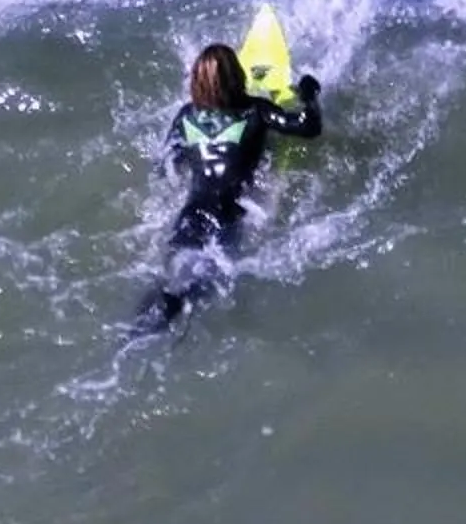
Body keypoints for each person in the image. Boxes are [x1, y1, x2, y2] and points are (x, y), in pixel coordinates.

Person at [130, 40, 323, 333]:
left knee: (173, 280)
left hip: (189, 215)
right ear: (237, 76)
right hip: (226, 216)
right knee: (199, 286)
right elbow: (308, 126)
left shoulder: (185, 116)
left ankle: (134, 333)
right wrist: (309, 93)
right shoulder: (255, 111)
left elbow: (165, 164)